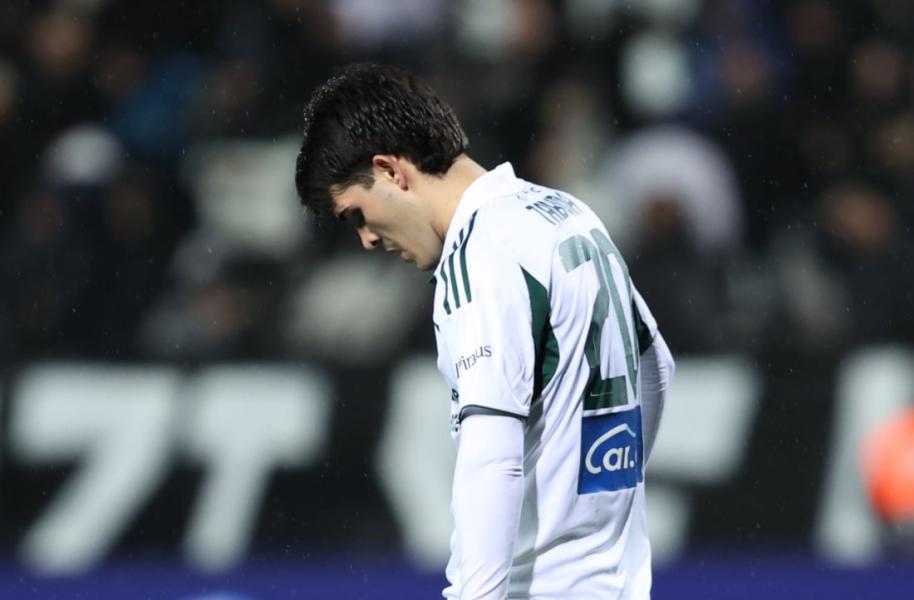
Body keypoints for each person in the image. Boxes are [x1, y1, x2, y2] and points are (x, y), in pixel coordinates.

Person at [295, 63, 675, 600]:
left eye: (356, 214)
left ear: (390, 170)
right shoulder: (566, 212)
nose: (367, 240)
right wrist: (604, 513)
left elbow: (491, 455)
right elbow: (655, 368)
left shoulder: (480, 253)